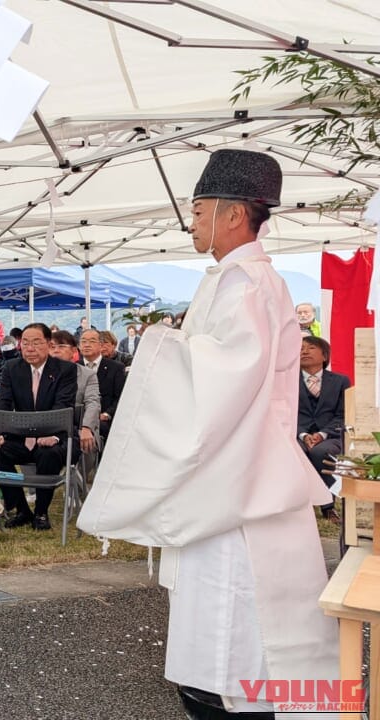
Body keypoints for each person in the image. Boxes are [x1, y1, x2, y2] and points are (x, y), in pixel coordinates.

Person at [77, 149, 337, 719]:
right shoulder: (248, 280)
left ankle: (228, 702)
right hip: (247, 467)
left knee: (235, 620)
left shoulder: (244, 284)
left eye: (198, 210)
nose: (191, 222)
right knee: (260, 619)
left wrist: (158, 347)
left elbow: (224, 381)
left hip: (237, 478)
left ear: (233, 215)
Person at [0, 323, 77, 530]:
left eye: (36, 342)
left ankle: (41, 512)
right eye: (25, 343)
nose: (30, 348)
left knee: (48, 454)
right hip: (21, 437)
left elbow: (63, 405)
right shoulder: (12, 368)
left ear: (48, 343)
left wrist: (53, 435)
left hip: (56, 437)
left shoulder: (65, 370)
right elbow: (3, 403)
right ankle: (21, 509)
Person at [298, 336, 348, 523]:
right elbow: (284, 412)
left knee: (322, 452)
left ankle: (328, 506)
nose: (304, 351)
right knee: (295, 453)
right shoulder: (287, 381)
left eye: (310, 348)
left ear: (325, 355)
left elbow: (343, 414)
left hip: (330, 434)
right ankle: (300, 509)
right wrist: (302, 434)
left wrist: (322, 434)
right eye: (300, 348)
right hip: (296, 434)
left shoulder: (340, 381)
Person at [49, 331, 99, 456]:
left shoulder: (87, 375)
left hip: (76, 428)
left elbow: (93, 403)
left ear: (74, 351)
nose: (56, 351)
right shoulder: (39, 374)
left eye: (61, 346)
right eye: (52, 347)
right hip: (45, 428)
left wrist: (86, 427)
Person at [79, 329, 126, 440]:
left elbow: (120, 397)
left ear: (101, 345)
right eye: (83, 341)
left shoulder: (116, 368)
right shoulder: (73, 368)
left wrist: (107, 414)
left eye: (92, 341)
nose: (87, 345)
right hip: (78, 418)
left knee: (101, 428)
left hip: (104, 418)